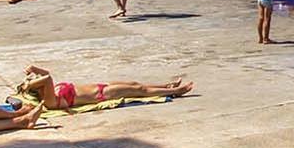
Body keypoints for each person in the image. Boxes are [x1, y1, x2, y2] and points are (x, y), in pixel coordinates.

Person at [12, 64, 193, 110]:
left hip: (100, 86)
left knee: (134, 84)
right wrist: (28, 82)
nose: (37, 77)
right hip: (101, 95)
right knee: (140, 91)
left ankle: (165, 86)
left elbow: (46, 74)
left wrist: (33, 69)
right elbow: (48, 78)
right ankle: (176, 91)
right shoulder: (49, 101)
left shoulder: (50, 90)